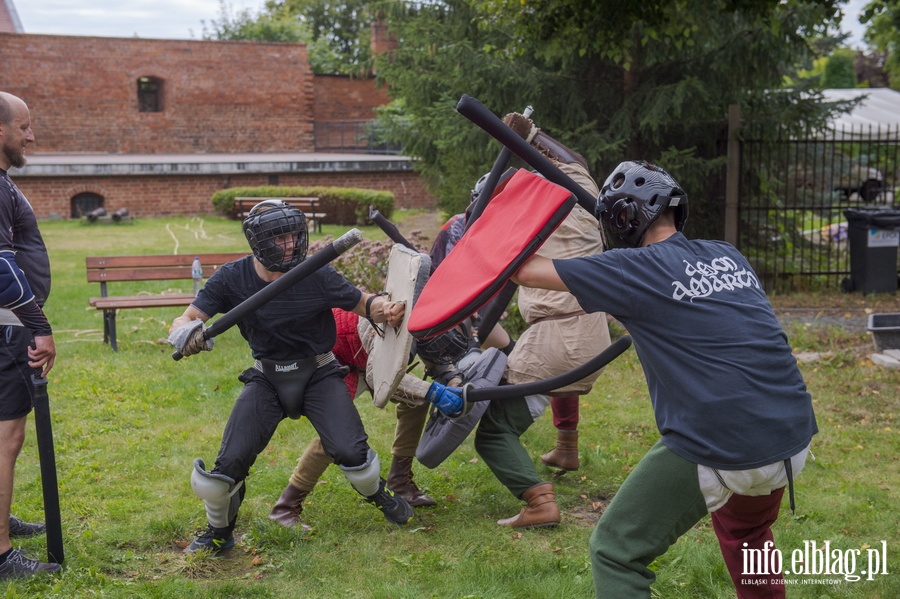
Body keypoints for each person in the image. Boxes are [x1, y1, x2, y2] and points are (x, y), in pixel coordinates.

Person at [512, 160, 818, 598]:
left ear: (620, 221)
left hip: (723, 439)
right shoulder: (728, 254)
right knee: (747, 532)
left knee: (615, 550)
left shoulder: (629, 270)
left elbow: (524, 270)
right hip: (791, 429)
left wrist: (501, 209)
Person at [168, 200, 415, 554]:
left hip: (318, 372)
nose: (290, 245)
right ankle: (219, 533)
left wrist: (385, 309)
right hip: (267, 378)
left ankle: (377, 492)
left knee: (351, 453)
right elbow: (186, 317)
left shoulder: (316, 273)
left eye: (294, 236)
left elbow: (364, 303)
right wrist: (186, 332)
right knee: (226, 468)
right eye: (279, 238)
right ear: (258, 242)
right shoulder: (232, 277)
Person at [471, 113, 611, 528]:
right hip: (587, 333)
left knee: (493, 429)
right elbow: (575, 162)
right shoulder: (584, 203)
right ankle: (564, 449)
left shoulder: (523, 225)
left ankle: (540, 504)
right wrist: (531, 136)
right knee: (492, 386)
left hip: (560, 337)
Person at [268, 308, 469, 527]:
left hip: (364, 356)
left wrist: (454, 384)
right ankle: (285, 507)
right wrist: (434, 392)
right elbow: (382, 375)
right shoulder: (388, 325)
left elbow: (439, 363)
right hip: (329, 357)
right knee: (337, 432)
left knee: (416, 401)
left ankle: (400, 481)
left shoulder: (425, 323)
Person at [0, 92, 61, 580]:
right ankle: (1, 556)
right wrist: (38, 326)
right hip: (9, 328)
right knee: (7, 436)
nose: (31, 135)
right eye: (24, 126)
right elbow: (1, 267)